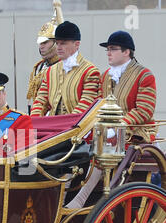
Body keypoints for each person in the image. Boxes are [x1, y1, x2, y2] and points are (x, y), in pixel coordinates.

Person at [66, 30, 157, 209]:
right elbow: (99, 105)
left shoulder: (145, 75)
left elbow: (144, 110)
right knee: (74, 145)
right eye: (107, 49)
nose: (108, 53)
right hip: (108, 130)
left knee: (106, 145)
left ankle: (81, 199)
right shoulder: (106, 75)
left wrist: (117, 126)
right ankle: (65, 192)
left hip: (136, 132)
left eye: (113, 49)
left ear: (127, 52)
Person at [30, 21, 100, 117]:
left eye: (63, 43)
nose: (58, 47)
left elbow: (85, 105)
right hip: (53, 127)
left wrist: (65, 126)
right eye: (57, 43)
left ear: (77, 44)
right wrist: (34, 123)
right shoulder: (50, 71)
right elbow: (40, 102)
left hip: (78, 128)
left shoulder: (90, 71)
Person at [26, 18, 61, 113]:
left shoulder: (63, 67)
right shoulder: (38, 67)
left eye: (45, 42)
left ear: (56, 43)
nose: (41, 46)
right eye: (40, 43)